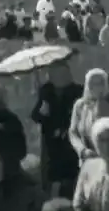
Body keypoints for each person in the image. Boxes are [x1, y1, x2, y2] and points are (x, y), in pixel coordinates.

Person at [31, 65, 84, 198]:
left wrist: (67, 129)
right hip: (51, 145)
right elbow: (36, 116)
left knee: (71, 178)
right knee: (52, 178)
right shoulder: (46, 92)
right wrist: (43, 111)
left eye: (63, 74)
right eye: (56, 74)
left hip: (71, 143)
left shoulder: (78, 92)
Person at [68, 69, 109, 161]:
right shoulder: (80, 106)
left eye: (100, 83)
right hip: (88, 160)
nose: (97, 87)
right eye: (92, 83)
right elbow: (73, 133)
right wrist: (82, 150)